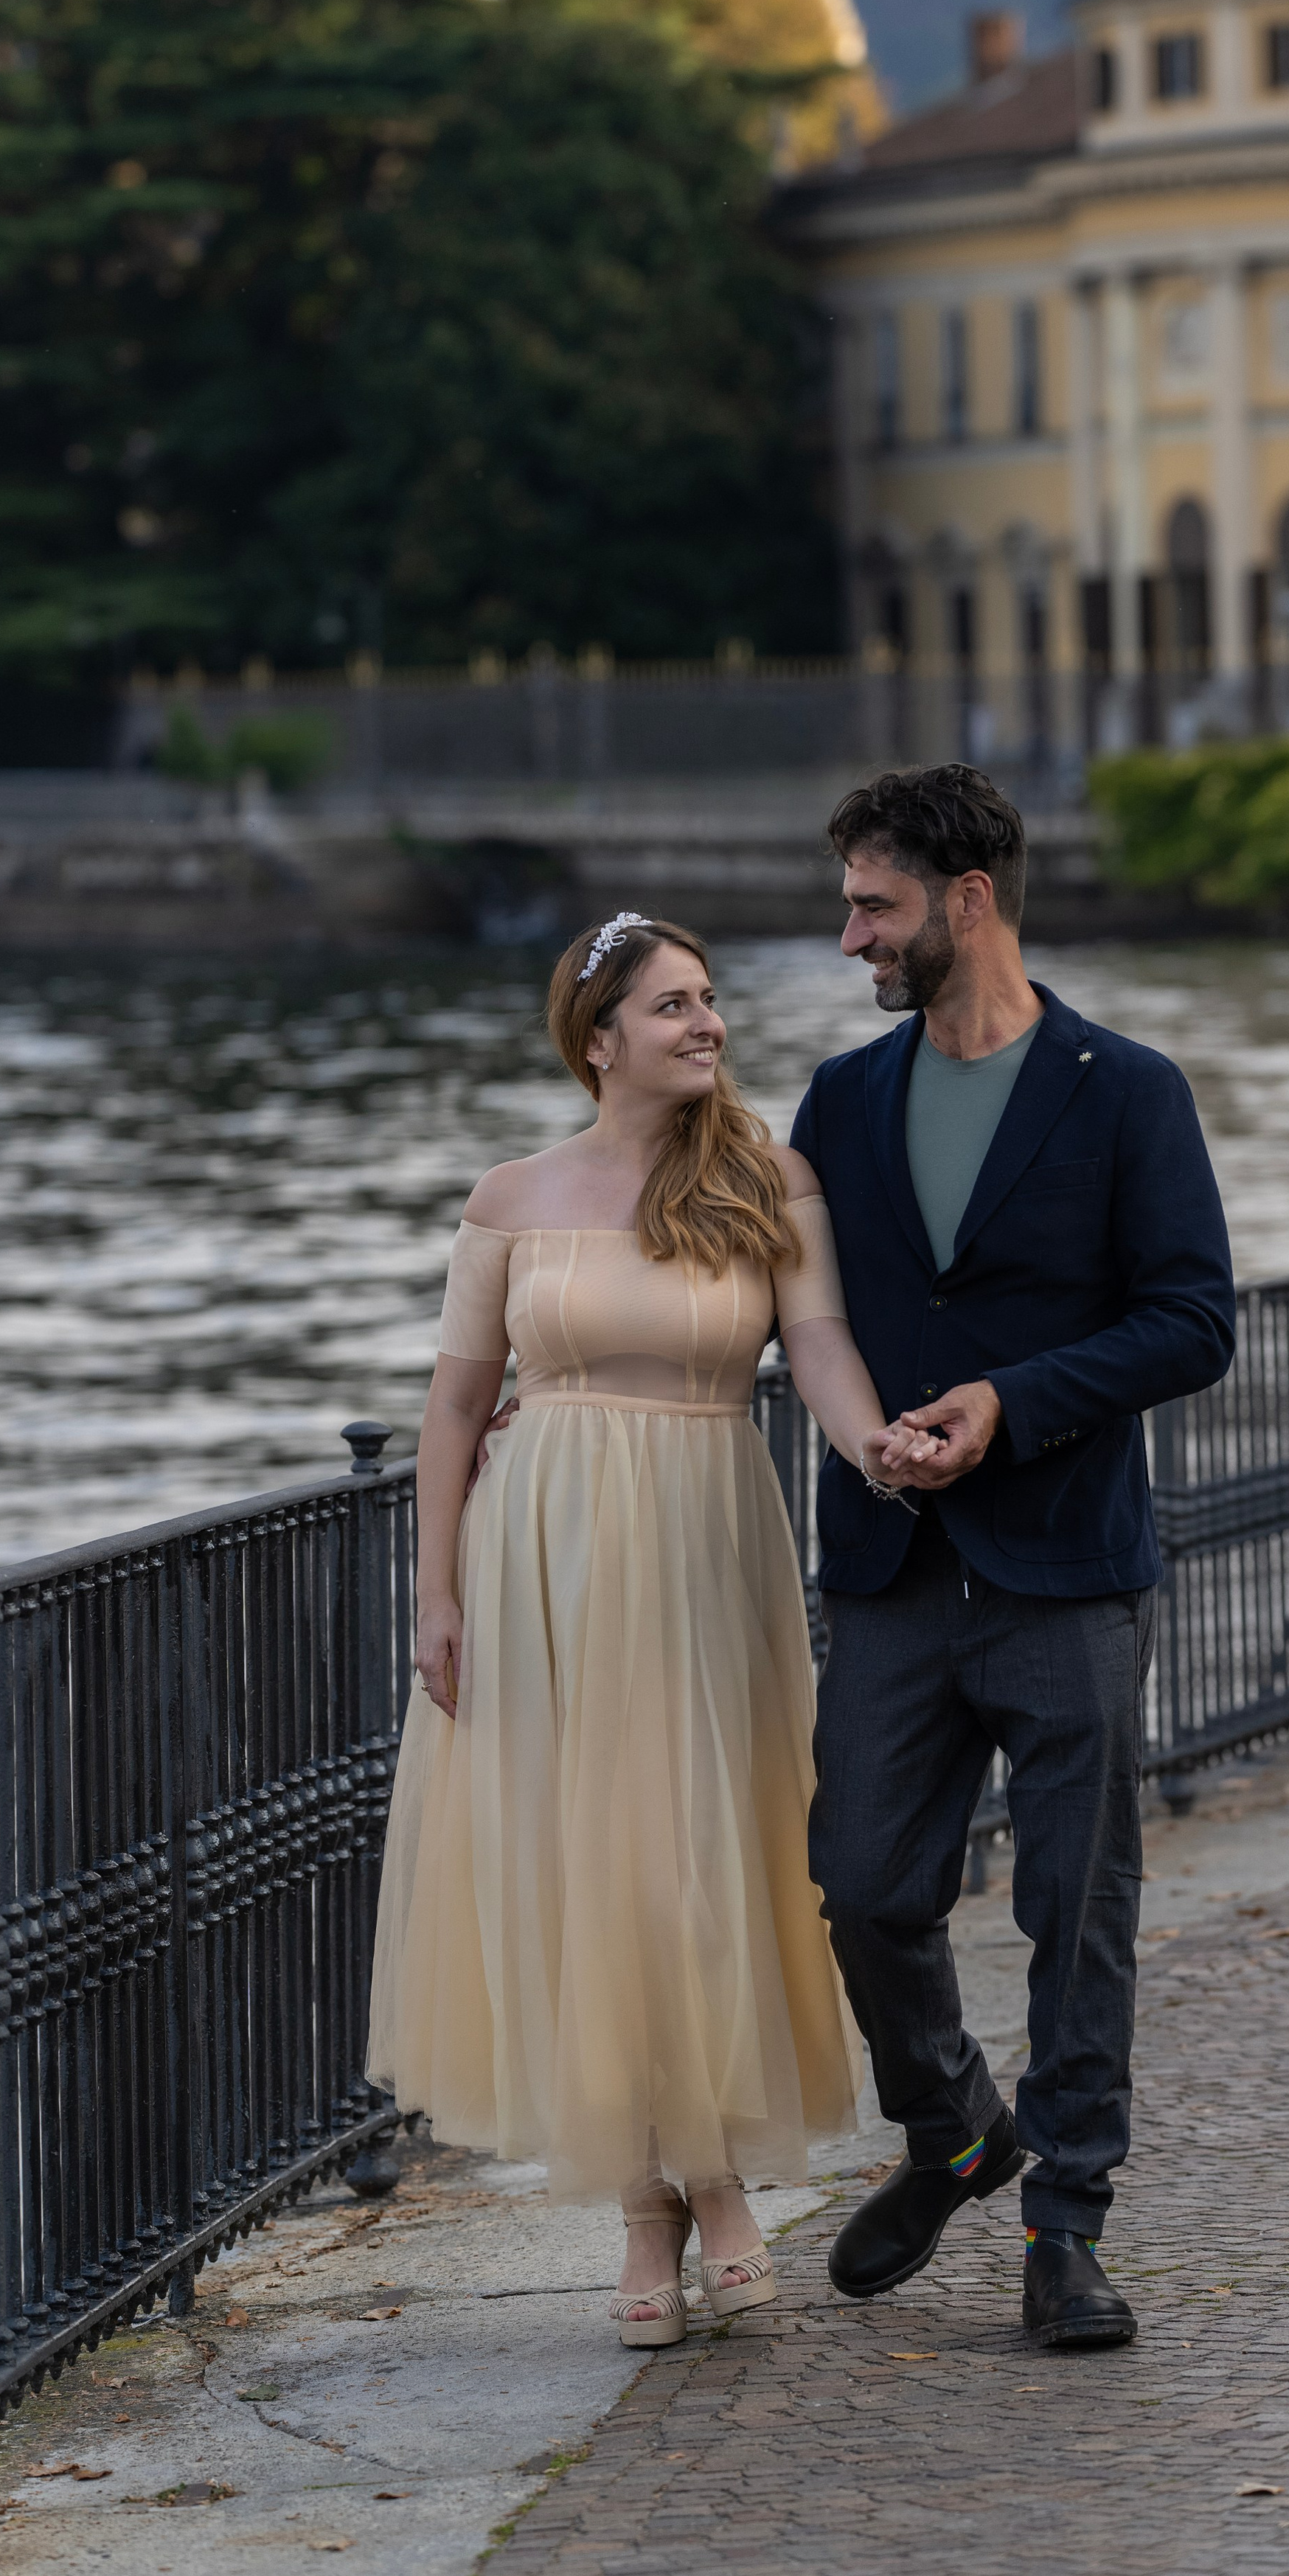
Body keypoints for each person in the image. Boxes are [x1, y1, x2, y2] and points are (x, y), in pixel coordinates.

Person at [369, 912, 906, 2350]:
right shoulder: (508, 1200)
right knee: (593, 1875)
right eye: (671, 1007)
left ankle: (717, 2177)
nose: (706, 1025)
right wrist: (435, 1595)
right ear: (596, 1038)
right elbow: (449, 1404)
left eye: (709, 1001)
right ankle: (640, 2204)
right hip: (541, 1556)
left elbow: (826, 1349)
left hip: (703, 1540)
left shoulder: (763, 1180)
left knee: (699, 1864)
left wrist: (868, 1448)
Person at [790, 766, 1236, 2349]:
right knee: (857, 1889)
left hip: (1064, 1566)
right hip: (891, 1567)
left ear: (965, 900)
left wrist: (1007, 1402)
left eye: (873, 905)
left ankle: (1065, 2226)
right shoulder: (840, 1103)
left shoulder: (1126, 1090)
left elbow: (1192, 1322)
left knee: (1077, 1903)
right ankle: (956, 2128)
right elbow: (800, 1310)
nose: (848, 935)